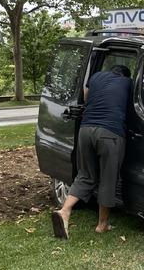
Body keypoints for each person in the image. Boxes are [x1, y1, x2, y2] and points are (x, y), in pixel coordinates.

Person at [52, 65, 133, 238]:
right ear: (125, 75)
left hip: (86, 129)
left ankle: (64, 211)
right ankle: (102, 224)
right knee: (108, 178)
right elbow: (132, 107)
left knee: (85, 175)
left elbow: (86, 96)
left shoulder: (96, 77)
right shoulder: (127, 82)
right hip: (110, 133)